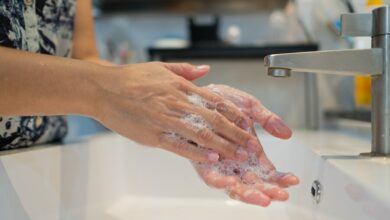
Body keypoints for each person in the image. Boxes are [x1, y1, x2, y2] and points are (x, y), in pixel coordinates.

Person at [0, 0, 298, 207]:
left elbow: (83, 59)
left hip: (48, 170)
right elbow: (96, 83)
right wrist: (108, 91)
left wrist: (187, 108)